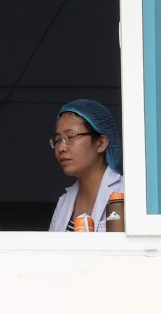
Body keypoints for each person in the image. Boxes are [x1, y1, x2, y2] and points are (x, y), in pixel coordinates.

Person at [48, 98, 124, 232]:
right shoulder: (63, 203)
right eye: (58, 140)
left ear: (100, 143)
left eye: (71, 136)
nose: (61, 148)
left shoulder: (127, 194)